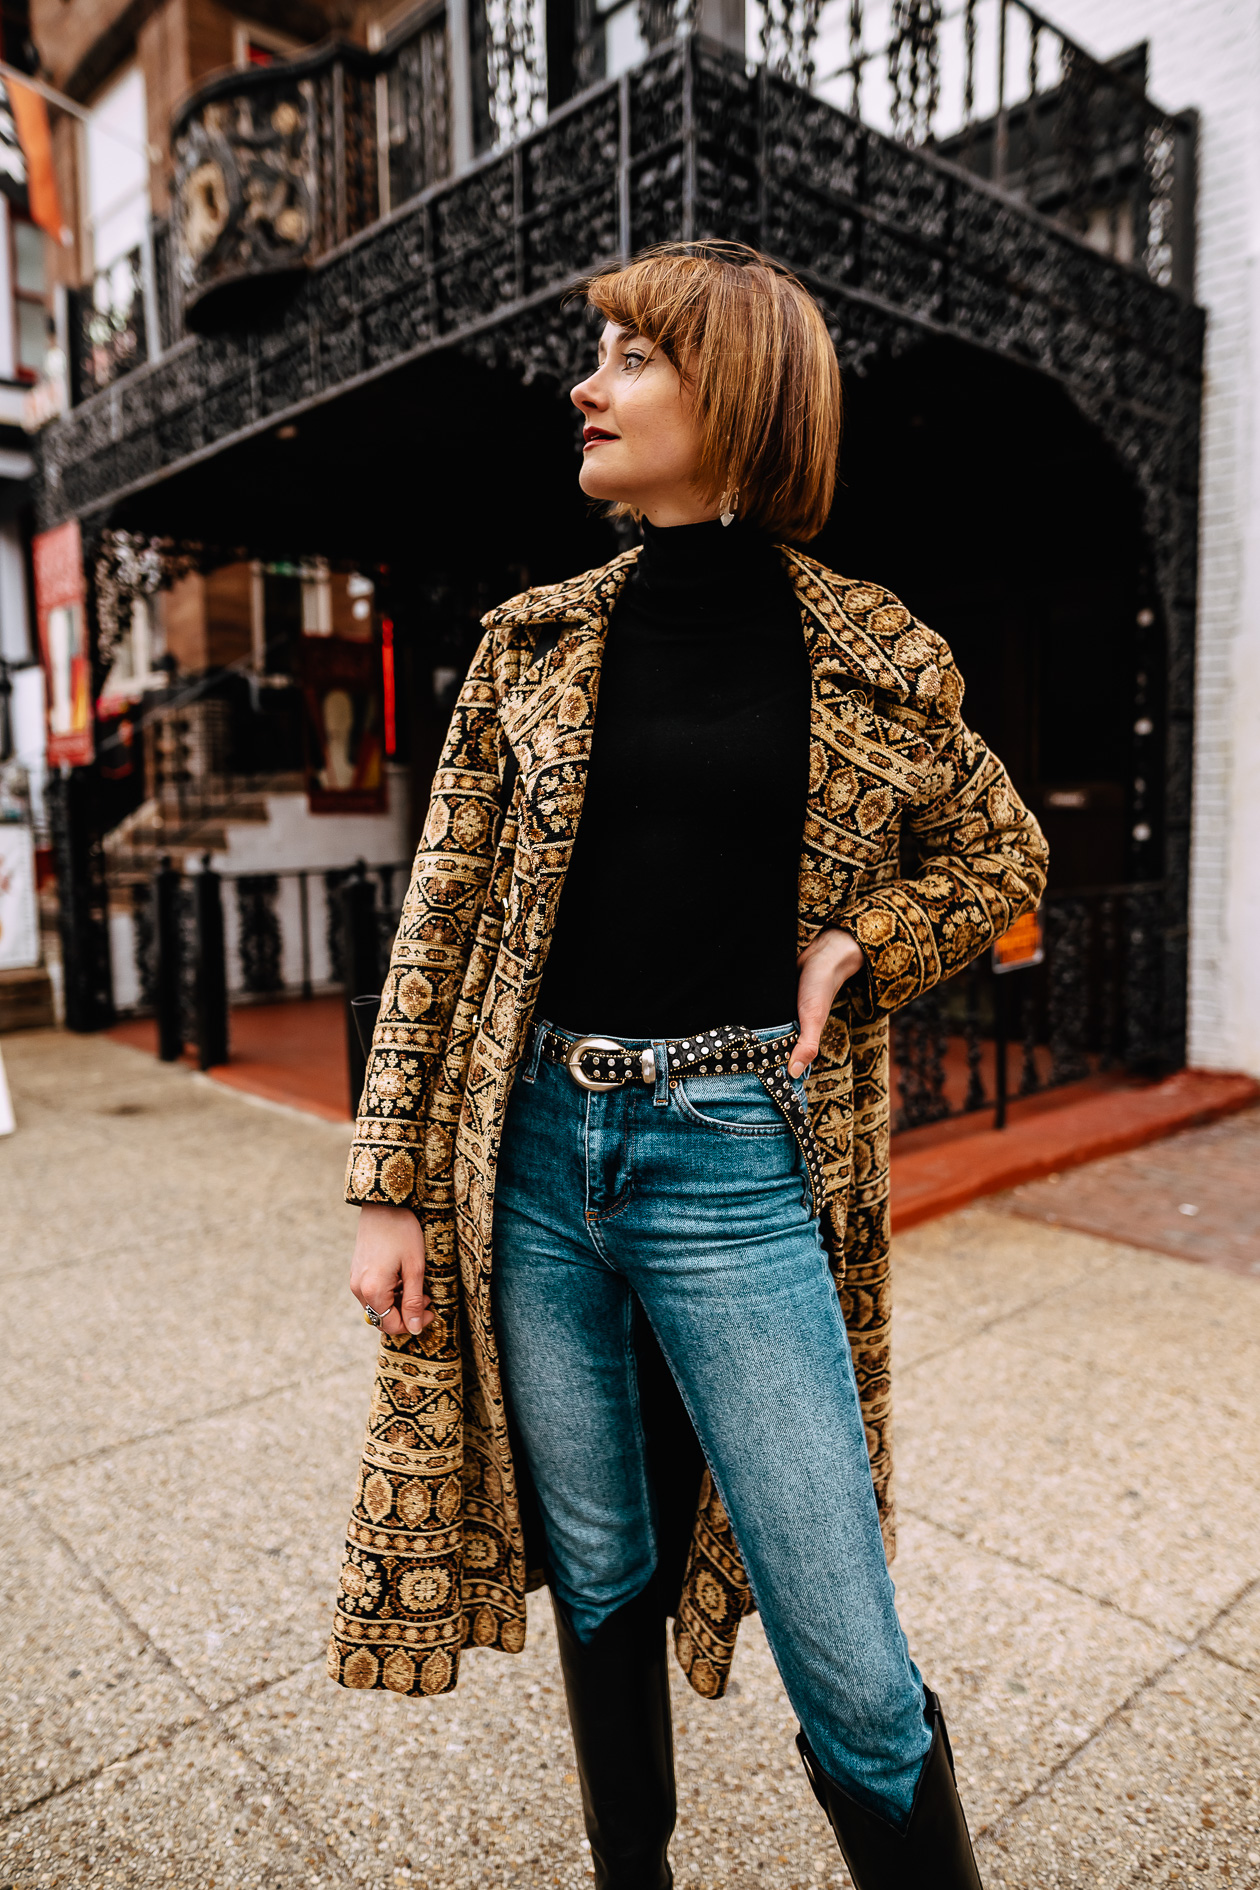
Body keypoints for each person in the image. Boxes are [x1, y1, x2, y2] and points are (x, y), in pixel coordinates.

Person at [332, 241, 1047, 1890]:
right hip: (531, 1155)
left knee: (851, 1653)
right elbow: (436, 931)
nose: (588, 385)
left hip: (737, 1156)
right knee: (598, 1565)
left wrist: (859, 940)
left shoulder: (879, 651)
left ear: (738, 393)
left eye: (632, 358)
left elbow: (1002, 854)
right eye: (598, 354)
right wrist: (387, 1191)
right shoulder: (530, 644)